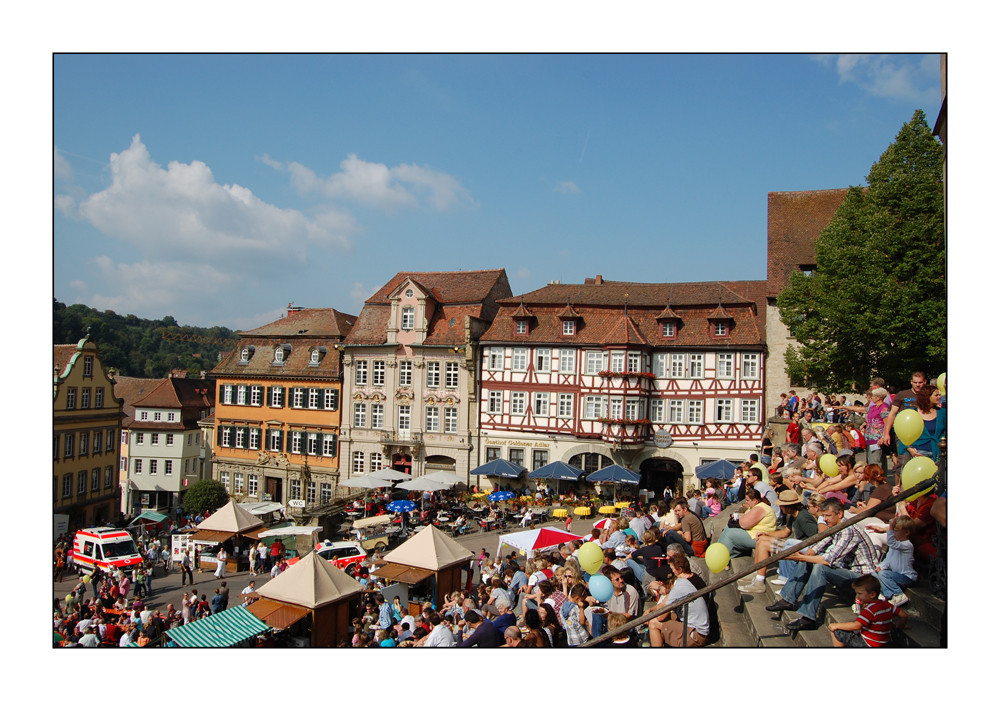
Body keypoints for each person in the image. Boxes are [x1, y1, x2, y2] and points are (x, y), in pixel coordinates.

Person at [765, 498, 881, 631]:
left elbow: (828, 560)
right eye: (823, 516)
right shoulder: (834, 526)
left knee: (820, 566)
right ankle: (788, 599)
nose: (825, 519)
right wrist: (805, 555)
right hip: (847, 571)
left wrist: (802, 558)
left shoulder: (848, 530)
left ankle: (808, 618)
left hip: (863, 578)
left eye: (828, 516)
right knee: (809, 558)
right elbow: (818, 545)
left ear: (840, 514)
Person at [738, 490, 819, 594]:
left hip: (800, 548)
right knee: (761, 539)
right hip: (795, 545)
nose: (780, 507)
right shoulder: (794, 515)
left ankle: (759, 581)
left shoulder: (803, 518)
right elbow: (785, 532)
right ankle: (756, 570)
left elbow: (815, 537)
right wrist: (766, 533)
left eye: (782, 505)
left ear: (789, 506)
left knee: (763, 544)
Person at [828, 574, 907, 647]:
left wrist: (836, 625)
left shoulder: (870, 609)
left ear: (872, 594)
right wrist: (900, 627)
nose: (857, 596)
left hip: (867, 644)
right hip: (884, 642)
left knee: (837, 632)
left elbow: (857, 625)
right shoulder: (887, 605)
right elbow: (904, 615)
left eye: (860, 593)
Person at [650, 552, 710, 647]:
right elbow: (664, 605)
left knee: (653, 623)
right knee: (668, 617)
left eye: (673, 569)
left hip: (696, 634)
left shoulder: (678, 589)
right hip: (697, 626)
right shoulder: (682, 582)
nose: (672, 571)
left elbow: (660, 617)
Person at [879, 371, 928, 482]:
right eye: (915, 382)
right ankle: (899, 489)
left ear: (925, 382)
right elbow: (892, 414)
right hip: (904, 433)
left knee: (921, 462)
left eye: (920, 382)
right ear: (911, 382)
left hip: (923, 433)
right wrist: (886, 433)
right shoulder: (902, 395)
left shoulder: (928, 395)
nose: (918, 385)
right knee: (903, 463)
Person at [865, 515, 919, 606]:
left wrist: (890, 527)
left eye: (896, 531)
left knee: (884, 574)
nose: (893, 533)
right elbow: (888, 559)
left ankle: (898, 594)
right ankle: (883, 594)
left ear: (906, 532)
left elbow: (891, 543)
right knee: (874, 573)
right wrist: (881, 566)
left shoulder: (907, 545)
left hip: (907, 577)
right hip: (895, 574)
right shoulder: (895, 545)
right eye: (893, 531)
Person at [717, 488, 777, 559]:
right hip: (754, 533)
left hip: (759, 536)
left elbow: (744, 524)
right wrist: (742, 516)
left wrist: (740, 517)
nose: (746, 502)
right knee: (727, 528)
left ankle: (721, 557)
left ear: (754, 500)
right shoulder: (756, 507)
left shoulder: (760, 508)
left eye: (748, 500)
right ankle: (719, 553)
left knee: (730, 534)